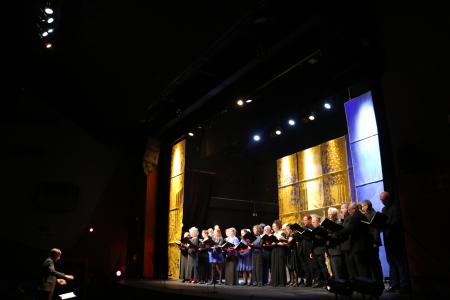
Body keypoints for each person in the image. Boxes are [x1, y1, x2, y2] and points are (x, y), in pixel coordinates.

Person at [380, 191, 410, 293]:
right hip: (387, 239)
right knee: (391, 262)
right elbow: (382, 222)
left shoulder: (395, 208)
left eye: (383, 200)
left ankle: (404, 285)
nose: (382, 202)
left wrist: (386, 224)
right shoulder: (384, 209)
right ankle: (394, 284)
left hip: (396, 239)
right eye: (381, 200)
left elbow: (396, 222)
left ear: (388, 198)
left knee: (400, 262)